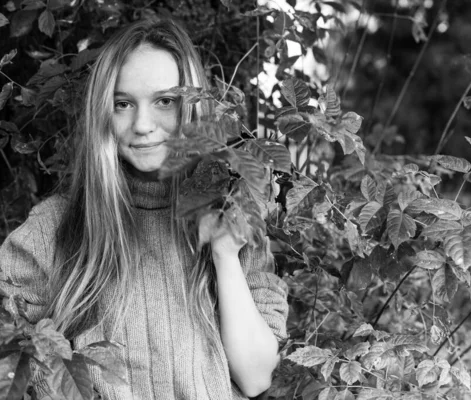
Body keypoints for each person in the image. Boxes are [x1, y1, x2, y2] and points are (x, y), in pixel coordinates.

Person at [0, 18, 288, 400]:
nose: (143, 125)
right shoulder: (54, 226)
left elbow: (255, 377)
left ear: (193, 107)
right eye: (122, 104)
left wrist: (224, 255)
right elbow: (9, 355)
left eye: (164, 101)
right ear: (102, 112)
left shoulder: (232, 211)